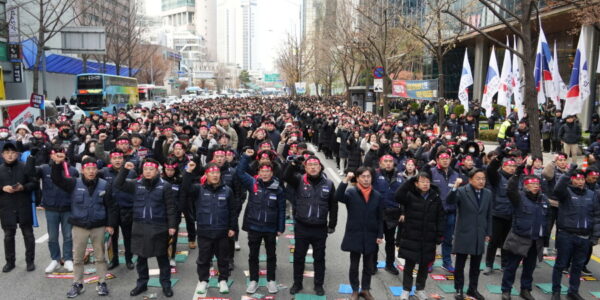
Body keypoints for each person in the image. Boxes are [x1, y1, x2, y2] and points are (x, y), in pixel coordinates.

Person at [51, 156, 117, 298]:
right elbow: (57, 179)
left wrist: (110, 224)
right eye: (88, 168)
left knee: (100, 257)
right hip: (80, 226)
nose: (91, 171)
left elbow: (111, 206)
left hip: (98, 226)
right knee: (78, 258)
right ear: (83, 170)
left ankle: (102, 283)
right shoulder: (74, 183)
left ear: (97, 170)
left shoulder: (105, 184)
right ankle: (78, 284)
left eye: (93, 168)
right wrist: (57, 163)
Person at [116, 159, 178, 298]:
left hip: (159, 226)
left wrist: (172, 226)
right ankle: (141, 284)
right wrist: (125, 170)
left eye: (151, 169)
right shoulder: (136, 184)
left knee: (162, 258)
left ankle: (166, 285)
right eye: (145, 169)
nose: (148, 172)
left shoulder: (165, 186)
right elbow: (118, 184)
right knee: (141, 258)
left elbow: (170, 207)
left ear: (157, 171)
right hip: (140, 225)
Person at [284, 155, 338, 296]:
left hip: (320, 228)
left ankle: (318, 285)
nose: (313, 167)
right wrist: (294, 163)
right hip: (302, 227)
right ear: (306, 168)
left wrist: (332, 224)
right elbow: (286, 176)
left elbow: (333, 205)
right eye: (310, 165)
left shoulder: (329, 184)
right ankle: (297, 283)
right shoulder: (299, 180)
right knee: (299, 257)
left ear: (320, 167)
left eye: (316, 165)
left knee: (319, 258)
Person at [182, 161, 238, 295]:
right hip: (204, 231)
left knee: (223, 259)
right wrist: (188, 172)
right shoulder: (199, 189)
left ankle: (223, 280)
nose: (215, 175)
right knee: (203, 259)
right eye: (212, 173)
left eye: (217, 173)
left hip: (222, 232)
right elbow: (185, 188)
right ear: (206, 175)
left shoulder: (227, 190)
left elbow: (232, 211)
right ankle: (203, 281)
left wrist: (232, 228)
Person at [236, 148, 285, 294]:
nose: (265, 174)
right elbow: (239, 172)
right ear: (259, 172)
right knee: (253, 256)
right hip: (254, 226)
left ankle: (271, 280)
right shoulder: (253, 183)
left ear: (272, 172)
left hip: (270, 228)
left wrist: (280, 227)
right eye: (262, 171)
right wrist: (245, 157)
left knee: (271, 255)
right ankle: (254, 280)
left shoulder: (278, 188)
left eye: (267, 171)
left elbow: (281, 209)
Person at [551, 167, 600, 300]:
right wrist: (567, 173)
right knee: (560, 265)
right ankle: (556, 291)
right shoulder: (565, 192)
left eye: (582, 179)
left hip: (584, 237)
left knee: (577, 266)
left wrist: (595, 236)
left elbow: (596, 216)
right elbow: (557, 189)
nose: (580, 182)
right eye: (577, 179)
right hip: (566, 235)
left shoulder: (591, 194)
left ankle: (573, 291)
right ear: (572, 180)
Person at [395, 172, 445, 300]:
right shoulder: (410, 195)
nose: (425, 184)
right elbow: (398, 196)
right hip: (411, 235)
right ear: (416, 184)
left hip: (428, 237)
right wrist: (410, 180)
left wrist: (439, 234)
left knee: (424, 266)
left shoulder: (435, 197)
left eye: (427, 181)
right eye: (422, 181)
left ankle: (420, 289)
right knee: (409, 266)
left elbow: (440, 217)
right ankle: (406, 290)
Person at [335, 168, 384, 300]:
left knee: (369, 266)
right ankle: (355, 290)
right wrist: (345, 180)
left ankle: (365, 289)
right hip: (354, 234)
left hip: (371, 235)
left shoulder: (377, 195)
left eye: (368, 176)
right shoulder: (351, 193)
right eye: (363, 176)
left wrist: (380, 235)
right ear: (357, 178)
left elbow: (380, 218)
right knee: (354, 265)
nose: (366, 179)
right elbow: (338, 196)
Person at [31, 146, 79, 273]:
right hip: (51, 207)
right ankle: (55, 259)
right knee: (52, 236)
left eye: (60, 153)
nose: (57, 155)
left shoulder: (72, 170)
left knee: (68, 235)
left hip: (68, 207)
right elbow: (29, 172)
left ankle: (68, 259)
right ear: (50, 156)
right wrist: (32, 157)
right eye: (54, 153)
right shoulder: (44, 168)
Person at [446, 169, 492, 300]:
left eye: (483, 178)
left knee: (476, 266)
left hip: (479, 233)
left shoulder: (488, 193)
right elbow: (450, 201)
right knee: (460, 264)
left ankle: (473, 289)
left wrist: (488, 232)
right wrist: (455, 186)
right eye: (478, 178)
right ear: (470, 180)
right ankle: (459, 289)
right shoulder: (462, 191)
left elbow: (489, 214)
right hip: (464, 232)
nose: (481, 181)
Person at [501, 174, 548, 300]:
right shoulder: (519, 197)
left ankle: (525, 289)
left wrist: (545, 240)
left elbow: (546, 220)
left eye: (537, 184)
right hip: (519, 238)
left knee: (529, 268)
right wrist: (516, 175)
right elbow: (510, 189)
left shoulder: (543, 199)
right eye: (532, 184)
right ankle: (506, 290)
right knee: (511, 266)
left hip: (535, 240)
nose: (535, 186)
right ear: (525, 186)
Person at [0, 142, 37, 273]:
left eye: (12, 152)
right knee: (8, 236)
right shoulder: (0, 169)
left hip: (23, 204)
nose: (10, 155)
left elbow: (34, 183)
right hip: (6, 207)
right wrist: (2, 188)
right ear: (2, 155)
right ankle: (10, 262)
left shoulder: (24, 167)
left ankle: (30, 261)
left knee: (28, 234)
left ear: (17, 154)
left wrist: (23, 187)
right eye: (7, 153)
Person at [100, 149, 138, 271]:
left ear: (123, 159)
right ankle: (114, 259)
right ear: (110, 159)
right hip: (111, 210)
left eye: (120, 158)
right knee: (112, 237)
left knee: (128, 237)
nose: (117, 160)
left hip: (127, 209)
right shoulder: (104, 172)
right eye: (115, 158)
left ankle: (128, 259)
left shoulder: (131, 172)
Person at [484, 151, 517, 274]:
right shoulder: (497, 177)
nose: (512, 169)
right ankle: (489, 264)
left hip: (511, 215)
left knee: (506, 242)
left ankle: (504, 264)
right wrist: (500, 157)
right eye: (509, 166)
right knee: (494, 241)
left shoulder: (516, 179)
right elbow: (491, 169)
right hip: (497, 214)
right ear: (503, 166)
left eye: (514, 166)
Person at [372, 154, 404, 275]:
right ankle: (372, 265)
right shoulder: (374, 174)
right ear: (380, 163)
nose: (388, 163)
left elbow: (404, 197)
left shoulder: (400, 177)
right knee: (375, 241)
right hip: (377, 213)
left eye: (390, 161)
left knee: (390, 242)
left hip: (393, 214)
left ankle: (389, 265)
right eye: (385, 161)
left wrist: (403, 212)